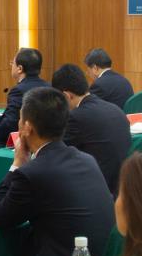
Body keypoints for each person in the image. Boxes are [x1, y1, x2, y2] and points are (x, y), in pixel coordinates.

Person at [0, 87, 115, 256]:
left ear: (27, 127)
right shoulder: (86, 159)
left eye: (20, 119)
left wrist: (17, 164)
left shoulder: (33, 173)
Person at [53, 63, 132, 194]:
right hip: (121, 188)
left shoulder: (76, 117)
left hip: (95, 191)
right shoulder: (115, 109)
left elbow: (55, 153)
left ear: (67, 96)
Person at [0, 47, 46, 143]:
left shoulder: (18, 91)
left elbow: (11, 122)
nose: (11, 66)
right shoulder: (50, 87)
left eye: (12, 63)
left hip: (23, 142)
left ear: (19, 69)